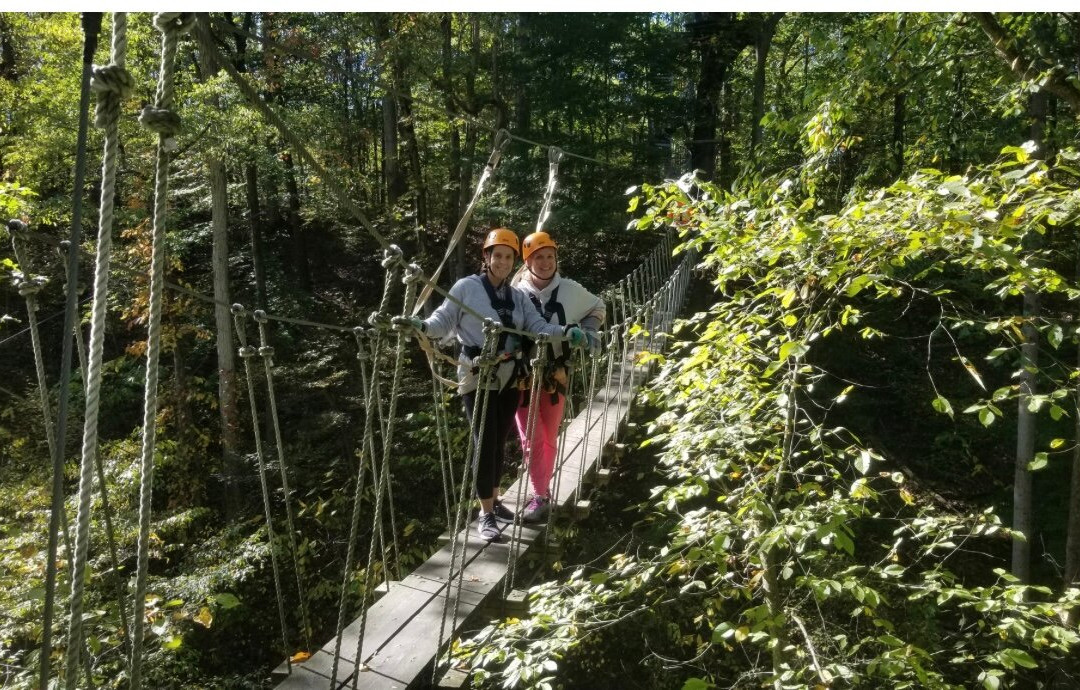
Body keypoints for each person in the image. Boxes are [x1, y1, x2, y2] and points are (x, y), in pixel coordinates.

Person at [395, 228, 585, 541]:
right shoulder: (466, 288)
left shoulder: (517, 296)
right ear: (487, 257)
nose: (502, 262)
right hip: (477, 377)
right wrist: (421, 326)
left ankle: (494, 503)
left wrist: (566, 332)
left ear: (514, 262)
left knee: (498, 442)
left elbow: (537, 328)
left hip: (509, 379)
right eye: (497, 255)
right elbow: (442, 321)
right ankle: (485, 514)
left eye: (508, 257)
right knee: (484, 443)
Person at [511, 231, 605, 523]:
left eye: (550, 256)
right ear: (528, 262)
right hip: (522, 374)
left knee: (549, 435)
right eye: (538, 257)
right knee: (532, 436)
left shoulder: (571, 290)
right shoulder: (515, 292)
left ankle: (542, 493)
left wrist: (589, 331)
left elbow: (597, 306)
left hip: (556, 375)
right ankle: (540, 495)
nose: (545, 262)